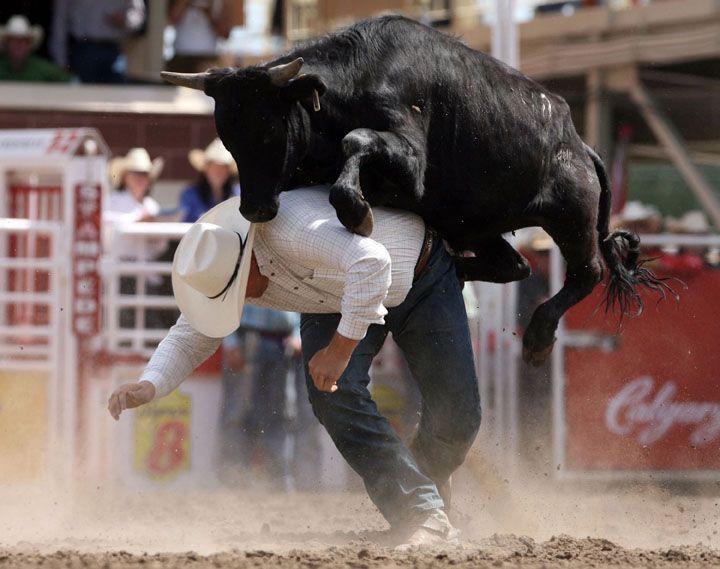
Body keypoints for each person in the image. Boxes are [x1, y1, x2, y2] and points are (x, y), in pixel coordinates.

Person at [107, 186, 481, 547]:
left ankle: (424, 478)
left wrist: (338, 350)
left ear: (248, 257)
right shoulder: (230, 261)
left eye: (235, 289)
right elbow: (193, 332)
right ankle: (420, 511)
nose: (239, 300)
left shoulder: (289, 230)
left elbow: (373, 262)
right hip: (335, 298)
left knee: (460, 418)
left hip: (420, 273)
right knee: (331, 394)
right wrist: (149, 383)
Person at [103, 148, 169, 329]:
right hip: (123, 270)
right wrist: (137, 221)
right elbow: (107, 231)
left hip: (146, 271)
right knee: (126, 320)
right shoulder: (114, 201)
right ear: (125, 177)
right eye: (136, 174)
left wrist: (155, 233)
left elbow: (160, 248)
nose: (141, 178)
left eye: (145, 174)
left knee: (149, 319)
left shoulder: (151, 206)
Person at [51, 0, 146, 84]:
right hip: (84, 50)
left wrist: (126, 20)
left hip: (114, 48)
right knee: (85, 95)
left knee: (119, 93)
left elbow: (137, 14)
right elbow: (60, 22)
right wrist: (60, 60)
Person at [179, 138, 240, 223]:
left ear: (228, 172)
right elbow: (182, 218)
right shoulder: (190, 194)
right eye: (214, 168)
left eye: (222, 168)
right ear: (206, 169)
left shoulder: (238, 194)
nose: (218, 172)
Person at [166, 0, 232, 73]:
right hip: (180, 55)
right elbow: (171, 20)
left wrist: (208, 12)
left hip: (207, 57)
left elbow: (225, 34)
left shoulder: (222, 2)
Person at [0, 15, 71, 82]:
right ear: (7, 43)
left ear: (29, 44)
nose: (19, 45)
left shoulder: (42, 68)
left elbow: (72, 82)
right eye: (14, 40)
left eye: (23, 41)